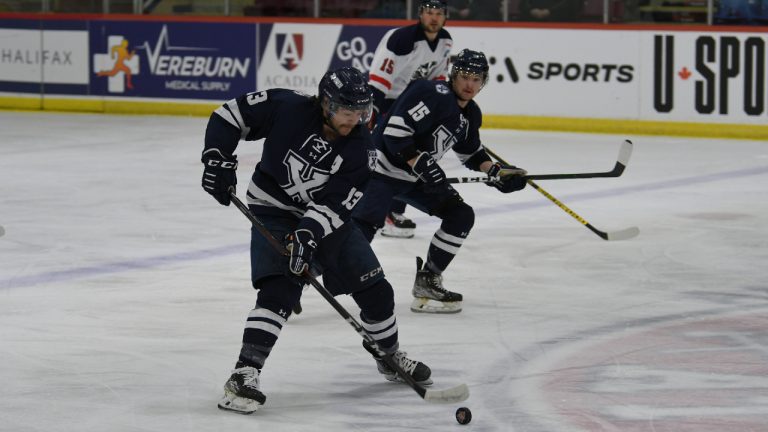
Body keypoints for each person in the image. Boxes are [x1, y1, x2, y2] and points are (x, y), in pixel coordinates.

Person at [201, 67, 432, 414]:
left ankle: (388, 355)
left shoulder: (362, 149)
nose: (354, 118)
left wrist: (308, 233)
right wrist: (216, 156)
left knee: (377, 291)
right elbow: (229, 116)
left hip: (326, 222)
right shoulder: (286, 106)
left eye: (361, 111)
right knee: (281, 289)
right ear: (326, 102)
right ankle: (243, 373)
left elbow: (336, 204)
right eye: (346, 110)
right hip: (272, 209)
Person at [352, 49, 527, 314]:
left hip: (415, 178)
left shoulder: (471, 114)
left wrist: (495, 171)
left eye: (476, 78)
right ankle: (297, 278)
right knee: (360, 232)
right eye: (465, 76)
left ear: (483, 82)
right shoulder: (432, 93)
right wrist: (419, 162)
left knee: (460, 215)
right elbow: (395, 133)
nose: (470, 84)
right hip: (381, 171)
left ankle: (428, 280)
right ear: (454, 75)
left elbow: (471, 153)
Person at [367, 0, 453, 238]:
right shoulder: (401, 39)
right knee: (385, 157)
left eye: (438, 14)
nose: (433, 18)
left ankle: (393, 210)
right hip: (389, 101)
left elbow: (438, 78)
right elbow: (380, 78)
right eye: (428, 13)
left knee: (410, 156)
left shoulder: (446, 40)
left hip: (414, 104)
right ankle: (381, 210)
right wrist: (375, 110)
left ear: (445, 16)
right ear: (420, 14)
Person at [518, 0, 584, 22]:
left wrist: (550, 11)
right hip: (532, 23)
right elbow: (523, 3)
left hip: (561, 24)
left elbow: (573, 4)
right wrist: (531, 10)